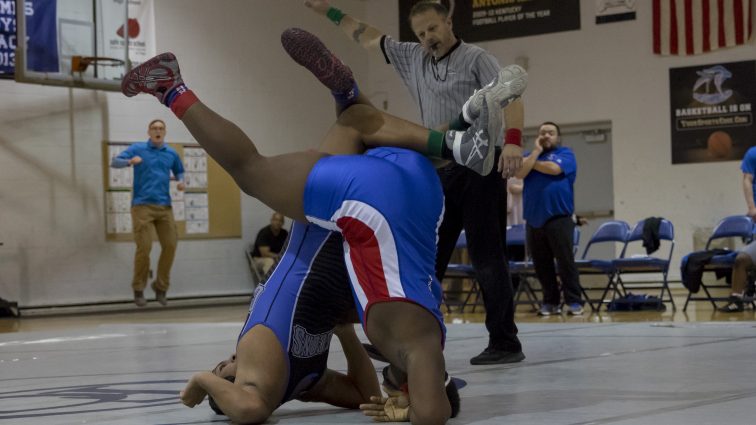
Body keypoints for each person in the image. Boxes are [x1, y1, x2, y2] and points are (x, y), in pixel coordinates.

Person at [121, 39, 519, 422]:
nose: (221, 364)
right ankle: (170, 87)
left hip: (416, 198)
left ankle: (447, 136)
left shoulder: (308, 381)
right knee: (249, 170)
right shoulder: (257, 382)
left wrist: (343, 330)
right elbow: (248, 408)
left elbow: (365, 396)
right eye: (222, 372)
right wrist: (202, 383)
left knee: (354, 125)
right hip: (353, 217)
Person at [305, 0, 527, 365]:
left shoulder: (476, 58)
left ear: (449, 22)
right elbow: (367, 35)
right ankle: (408, 337)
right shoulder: (413, 58)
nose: (428, 38)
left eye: (433, 29)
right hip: (439, 169)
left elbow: (511, 95)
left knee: (487, 256)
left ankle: (505, 341)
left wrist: (515, 141)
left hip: (480, 165)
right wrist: (327, 11)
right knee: (427, 257)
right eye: (421, 33)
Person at [111, 119, 185, 307]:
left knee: (170, 245)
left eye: (161, 128)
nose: (158, 131)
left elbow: (179, 170)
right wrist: (129, 161)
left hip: (164, 206)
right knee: (144, 248)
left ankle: (160, 287)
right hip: (142, 205)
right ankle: (138, 288)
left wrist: (181, 180)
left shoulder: (171, 153)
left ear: (165, 132)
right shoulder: (138, 149)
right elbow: (114, 162)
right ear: (149, 132)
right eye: (154, 128)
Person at [515, 121, 584, 316]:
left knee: (565, 262)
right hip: (533, 219)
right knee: (541, 264)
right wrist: (535, 153)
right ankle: (550, 302)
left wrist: (531, 164)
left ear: (558, 137)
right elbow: (519, 173)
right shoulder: (529, 155)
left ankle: (574, 302)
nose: (546, 136)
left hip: (559, 217)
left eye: (550, 133)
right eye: (542, 133)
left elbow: (554, 169)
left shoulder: (566, 154)